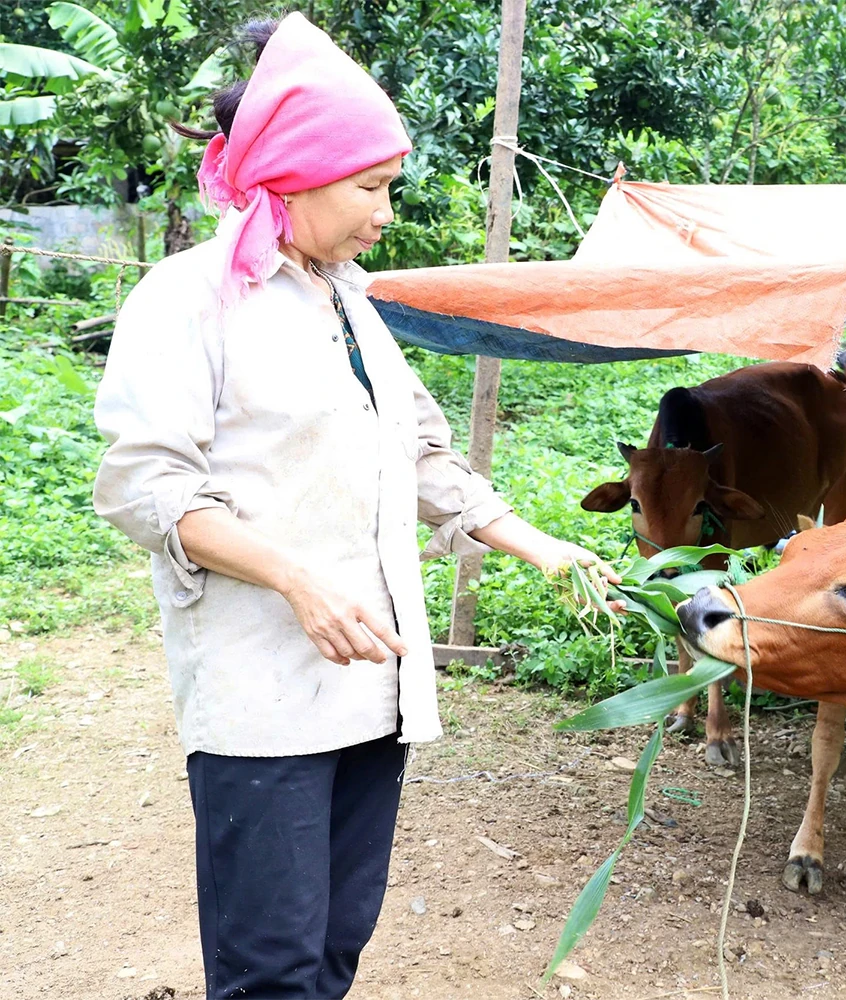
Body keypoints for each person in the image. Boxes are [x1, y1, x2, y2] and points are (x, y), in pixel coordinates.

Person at [91, 14, 618, 998]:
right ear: (292, 177)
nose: (386, 211)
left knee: (334, 946)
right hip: (263, 696)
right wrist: (295, 580)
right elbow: (145, 486)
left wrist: (545, 549)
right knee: (271, 966)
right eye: (371, 187)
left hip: (373, 685)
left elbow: (419, 453)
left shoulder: (352, 300)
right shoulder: (186, 299)